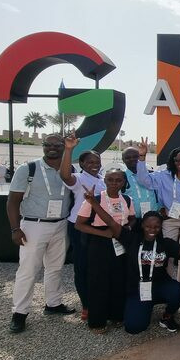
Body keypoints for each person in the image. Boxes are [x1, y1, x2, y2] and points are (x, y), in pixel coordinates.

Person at [86, 200, 180, 334]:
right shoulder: (132, 239)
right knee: (134, 328)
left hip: (160, 285)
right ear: (142, 225)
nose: (152, 230)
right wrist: (93, 203)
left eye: (156, 227)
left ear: (161, 227)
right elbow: (111, 222)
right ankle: (145, 306)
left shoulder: (165, 243)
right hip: (138, 289)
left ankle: (167, 316)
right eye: (148, 226)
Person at [6, 134, 76, 333]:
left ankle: (53, 303)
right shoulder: (28, 169)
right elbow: (13, 201)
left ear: (64, 146)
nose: (52, 148)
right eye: (48, 144)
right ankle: (19, 313)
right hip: (34, 225)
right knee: (28, 270)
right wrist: (15, 228)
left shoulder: (70, 169)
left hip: (60, 224)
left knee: (55, 267)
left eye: (57, 144)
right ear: (43, 146)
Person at [135, 138, 180, 296]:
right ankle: (168, 286)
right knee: (166, 253)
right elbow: (143, 180)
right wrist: (142, 157)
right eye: (177, 160)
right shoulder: (163, 176)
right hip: (169, 219)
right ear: (172, 161)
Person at [75, 174, 136, 333]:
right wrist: (103, 234)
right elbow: (79, 225)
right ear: (105, 181)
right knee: (98, 281)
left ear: (124, 182)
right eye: (110, 180)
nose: (114, 183)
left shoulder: (127, 199)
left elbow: (132, 218)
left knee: (118, 279)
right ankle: (97, 321)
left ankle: (116, 315)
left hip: (120, 241)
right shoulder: (94, 199)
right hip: (99, 241)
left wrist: (127, 228)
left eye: (118, 180)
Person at [60, 133, 106, 320]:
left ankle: (99, 300)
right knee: (82, 266)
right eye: (90, 162)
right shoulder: (78, 178)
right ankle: (86, 304)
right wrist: (68, 150)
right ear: (82, 164)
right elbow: (65, 175)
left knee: (98, 266)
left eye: (97, 162)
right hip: (80, 227)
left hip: (99, 227)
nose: (94, 165)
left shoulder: (103, 180)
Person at [122, 147, 159, 219]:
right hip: (133, 220)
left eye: (135, 156)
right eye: (128, 157)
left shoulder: (151, 175)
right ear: (123, 160)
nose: (132, 159)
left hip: (153, 219)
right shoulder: (121, 177)